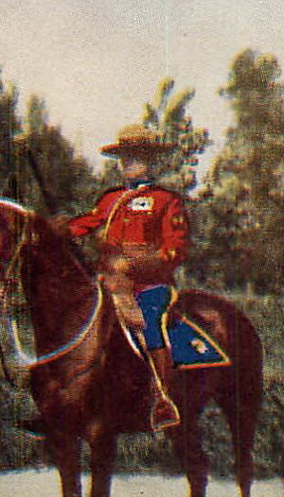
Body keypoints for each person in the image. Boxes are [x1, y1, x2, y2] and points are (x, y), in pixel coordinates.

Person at [41, 124, 190, 432]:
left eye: (136, 157)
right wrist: (59, 228)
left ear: (152, 161)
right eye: (124, 157)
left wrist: (133, 265)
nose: (128, 163)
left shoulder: (167, 201)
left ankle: (162, 398)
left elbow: (175, 250)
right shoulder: (111, 199)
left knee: (151, 322)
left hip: (150, 285)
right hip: (108, 284)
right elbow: (87, 223)